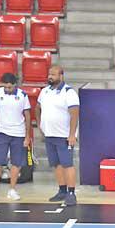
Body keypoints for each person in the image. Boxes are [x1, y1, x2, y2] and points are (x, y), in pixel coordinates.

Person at [37, 64, 79, 207]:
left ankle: (71, 193)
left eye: (53, 74)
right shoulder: (44, 91)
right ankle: (62, 190)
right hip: (50, 134)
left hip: (64, 135)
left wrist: (72, 134)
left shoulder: (69, 92)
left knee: (67, 164)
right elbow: (37, 108)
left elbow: (74, 114)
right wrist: (41, 125)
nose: (50, 77)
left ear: (61, 76)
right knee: (56, 164)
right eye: (49, 74)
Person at [0, 73, 31, 201]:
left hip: (18, 134)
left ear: (15, 85)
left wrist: (27, 136)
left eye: (10, 87)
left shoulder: (23, 95)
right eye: (5, 87)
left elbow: (27, 115)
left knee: (16, 163)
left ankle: (12, 190)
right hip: (1, 133)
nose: (7, 89)